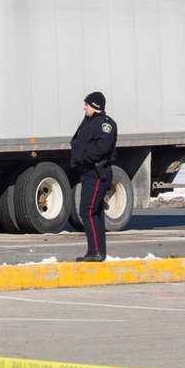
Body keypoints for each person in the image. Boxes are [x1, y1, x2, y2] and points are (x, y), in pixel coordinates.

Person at [70, 90, 118, 262]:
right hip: (88, 172)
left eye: (87, 104)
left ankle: (95, 251)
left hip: (97, 173)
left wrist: (84, 158)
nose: (84, 108)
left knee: (87, 211)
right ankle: (98, 252)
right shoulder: (91, 121)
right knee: (94, 212)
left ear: (95, 106)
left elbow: (101, 148)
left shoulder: (106, 124)